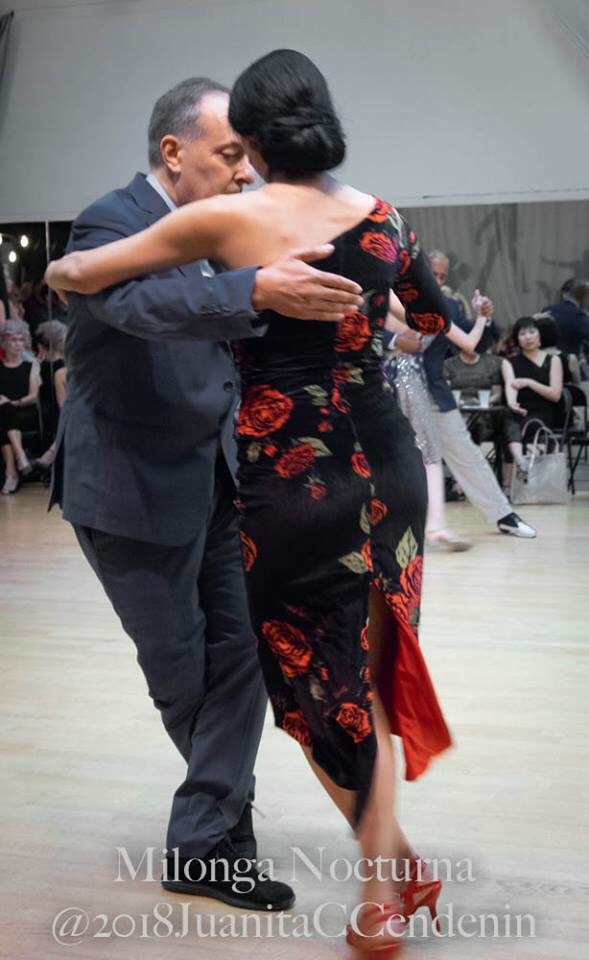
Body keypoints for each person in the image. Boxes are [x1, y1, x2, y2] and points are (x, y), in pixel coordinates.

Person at [47, 49, 455, 951]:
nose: (241, 170)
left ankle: (219, 844)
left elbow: (89, 282)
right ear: (172, 151)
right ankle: (341, 854)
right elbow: (131, 304)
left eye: (246, 152)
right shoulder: (116, 220)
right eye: (226, 153)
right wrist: (266, 292)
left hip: (266, 480)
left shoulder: (231, 221)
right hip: (143, 487)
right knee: (193, 674)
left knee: (266, 669)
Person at [422, 262, 537, 541]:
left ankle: (503, 515)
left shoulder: (447, 305)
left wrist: (482, 316)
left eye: (442, 275)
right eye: (433, 273)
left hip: (434, 391)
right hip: (386, 390)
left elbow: (475, 342)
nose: (438, 280)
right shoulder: (391, 296)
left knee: (466, 452)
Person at [502, 317, 564, 471]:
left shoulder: (553, 360)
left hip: (544, 410)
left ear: (539, 336)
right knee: (508, 417)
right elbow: (511, 385)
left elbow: (555, 395)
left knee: (527, 423)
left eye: (531, 332)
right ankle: (520, 462)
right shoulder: (509, 362)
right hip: (520, 409)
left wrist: (530, 383)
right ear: (517, 339)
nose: (528, 337)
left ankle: (521, 469)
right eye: (522, 334)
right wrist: (512, 403)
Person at [0, 319, 41, 493]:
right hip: (4, 413)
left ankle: (11, 473)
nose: (18, 344)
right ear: (3, 343)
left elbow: (33, 396)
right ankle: (19, 458)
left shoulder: (30, 366)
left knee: (5, 414)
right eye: (13, 340)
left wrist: (13, 403)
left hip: (25, 410)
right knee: (4, 413)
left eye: (20, 339)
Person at [33, 319, 68, 472]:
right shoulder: (64, 366)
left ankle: (51, 453)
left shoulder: (42, 367)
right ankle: (51, 453)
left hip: (52, 411)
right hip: (57, 410)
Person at [543, 278, 589, 358]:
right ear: (584, 298)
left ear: (565, 294)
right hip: (567, 361)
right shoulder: (579, 316)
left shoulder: (547, 310)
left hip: (543, 359)